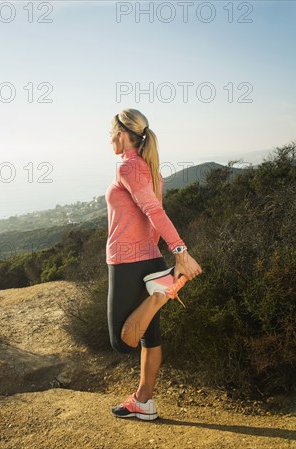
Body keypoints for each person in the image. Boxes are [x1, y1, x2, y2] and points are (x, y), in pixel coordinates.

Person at [105, 108, 202, 421]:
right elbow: (155, 213)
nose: (108, 140)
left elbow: (153, 212)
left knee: (122, 342)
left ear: (121, 133)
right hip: (150, 259)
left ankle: (160, 293)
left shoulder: (128, 167)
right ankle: (143, 402)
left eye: (110, 133)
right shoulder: (151, 168)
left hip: (126, 261)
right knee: (150, 338)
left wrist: (181, 252)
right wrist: (164, 252)